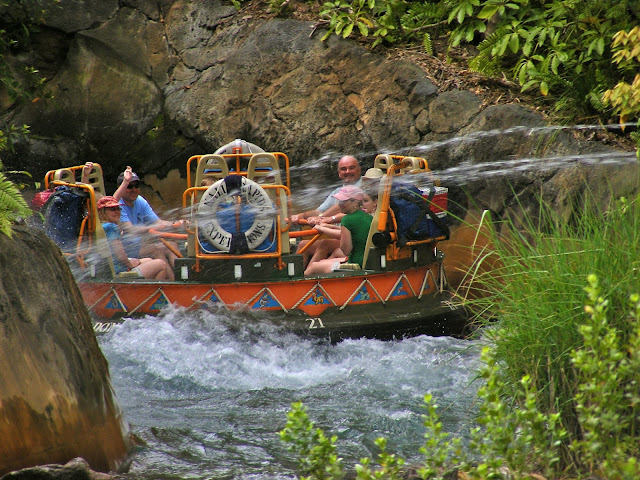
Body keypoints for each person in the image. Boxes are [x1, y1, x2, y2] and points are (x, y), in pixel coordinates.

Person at [113, 166, 179, 268]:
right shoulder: (116, 206)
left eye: (136, 186)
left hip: (138, 247)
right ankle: (167, 278)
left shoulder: (140, 200)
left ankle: (180, 276)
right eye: (129, 186)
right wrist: (151, 228)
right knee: (154, 250)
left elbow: (157, 222)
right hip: (124, 251)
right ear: (120, 187)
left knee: (172, 245)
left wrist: (176, 224)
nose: (134, 190)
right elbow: (131, 230)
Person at [97, 196, 174, 280]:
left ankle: (148, 287)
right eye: (112, 209)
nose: (117, 212)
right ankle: (153, 288)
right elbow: (120, 255)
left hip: (115, 268)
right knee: (161, 264)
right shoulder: (112, 227)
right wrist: (129, 264)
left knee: (148, 260)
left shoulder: (102, 226)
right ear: (101, 212)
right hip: (120, 272)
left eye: (118, 209)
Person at [304, 185, 373, 275]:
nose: (340, 204)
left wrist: (321, 228)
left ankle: (300, 283)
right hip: (367, 261)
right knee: (322, 262)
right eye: (339, 201)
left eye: (344, 201)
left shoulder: (347, 219)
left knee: (313, 266)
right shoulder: (368, 217)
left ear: (355, 202)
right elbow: (352, 232)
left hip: (355, 264)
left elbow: (346, 250)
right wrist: (324, 227)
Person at [290, 155, 362, 226]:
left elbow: (346, 205)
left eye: (351, 168)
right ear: (339, 173)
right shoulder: (336, 192)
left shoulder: (365, 185)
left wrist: (322, 217)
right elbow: (319, 211)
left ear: (359, 170)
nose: (347, 171)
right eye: (343, 169)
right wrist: (302, 215)